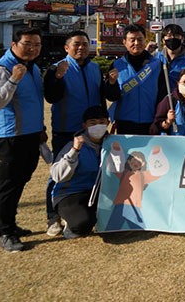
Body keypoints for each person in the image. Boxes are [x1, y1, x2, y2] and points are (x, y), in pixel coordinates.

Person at [43, 30, 120, 237]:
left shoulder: (95, 68)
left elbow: (104, 95)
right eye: (76, 44)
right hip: (66, 129)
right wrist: (57, 77)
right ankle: (52, 216)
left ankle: (87, 205)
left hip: (93, 129)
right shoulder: (57, 67)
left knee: (95, 167)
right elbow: (51, 97)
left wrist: (110, 85)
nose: (81, 48)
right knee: (58, 174)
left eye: (85, 44)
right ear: (66, 47)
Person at [0, 27, 47, 252]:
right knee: (8, 184)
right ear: (14, 45)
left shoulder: (33, 68)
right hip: (10, 136)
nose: (33, 49)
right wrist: (13, 79)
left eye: (37, 45)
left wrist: (40, 129)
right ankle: (6, 232)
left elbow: (33, 102)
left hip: (30, 134)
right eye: (27, 44)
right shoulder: (1, 69)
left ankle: (5, 222)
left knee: (21, 179)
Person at [50, 105, 110, 239]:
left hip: (97, 192)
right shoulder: (74, 145)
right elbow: (57, 175)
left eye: (102, 122)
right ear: (84, 125)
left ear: (108, 123)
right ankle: (70, 223)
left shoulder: (112, 144)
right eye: (92, 123)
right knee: (82, 224)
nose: (98, 126)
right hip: (71, 193)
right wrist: (74, 151)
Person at [107, 24, 165, 135]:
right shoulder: (116, 66)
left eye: (140, 39)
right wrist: (112, 83)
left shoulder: (157, 65)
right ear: (125, 42)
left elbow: (162, 96)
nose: (136, 43)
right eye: (132, 40)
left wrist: (157, 120)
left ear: (145, 40)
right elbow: (111, 96)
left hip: (150, 123)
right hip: (125, 123)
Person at [158, 24, 185, 94]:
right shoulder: (156, 58)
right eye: (169, 36)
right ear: (163, 40)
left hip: (180, 99)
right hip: (158, 99)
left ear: (182, 39)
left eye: (176, 35)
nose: (172, 38)